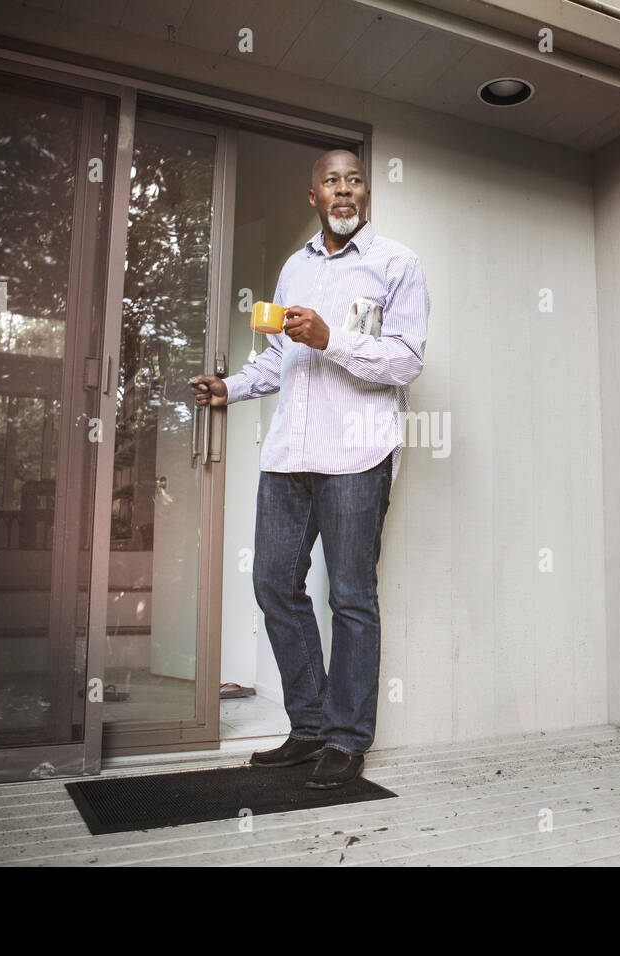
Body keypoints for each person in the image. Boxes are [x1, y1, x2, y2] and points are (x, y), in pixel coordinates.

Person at [188, 149, 429, 789]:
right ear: (314, 196)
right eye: (332, 182)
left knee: (350, 597)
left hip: (356, 454)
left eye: (354, 181)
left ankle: (348, 740)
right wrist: (230, 389)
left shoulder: (396, 265)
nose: (344, 191)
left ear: (365, 193)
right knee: (273, 584)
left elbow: (405, 361)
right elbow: (278, 361)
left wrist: (333, 340)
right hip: (288, 457)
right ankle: (310, 727)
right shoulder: (294, 268)